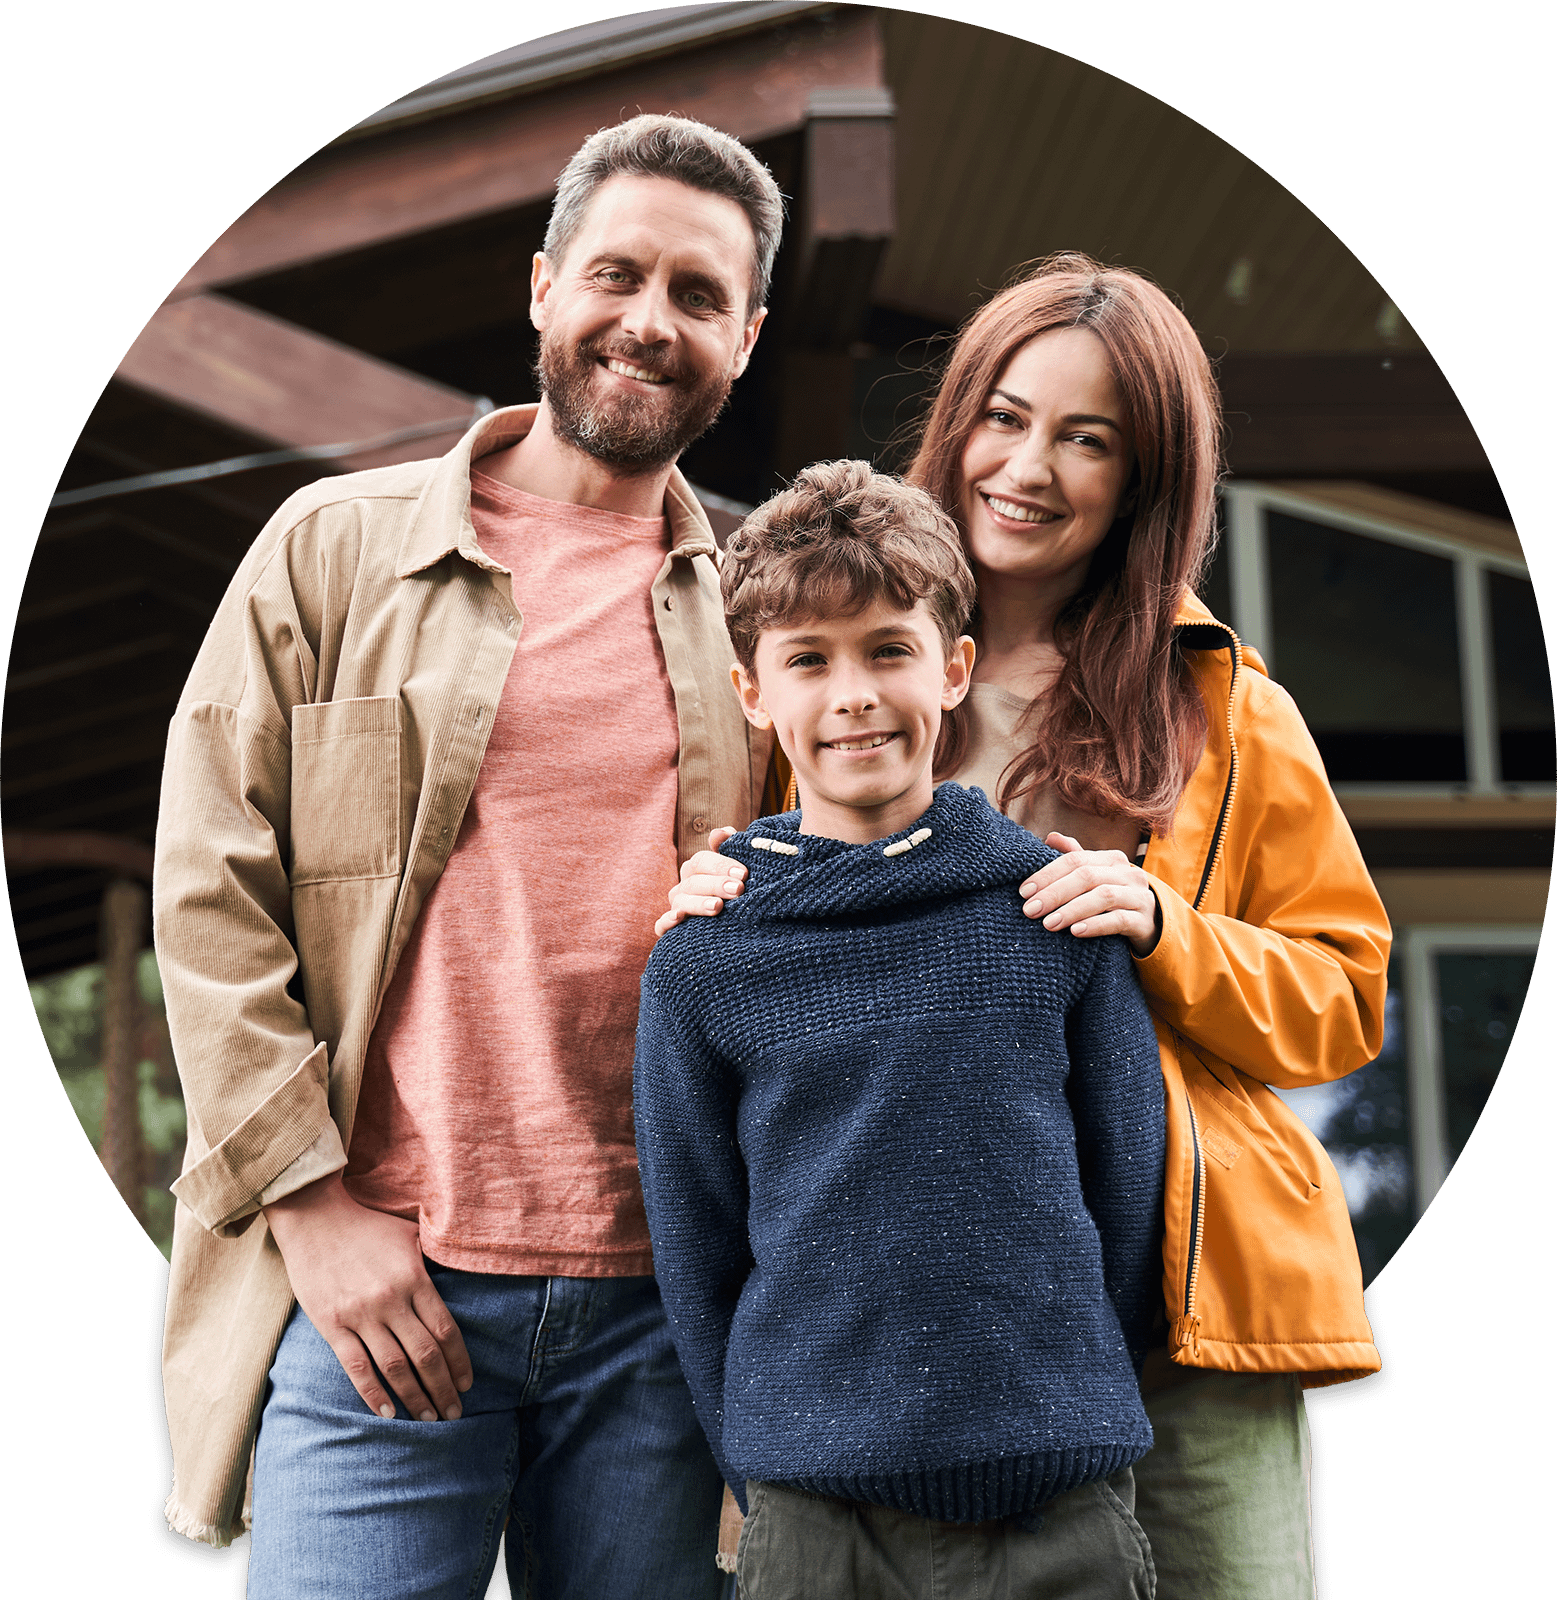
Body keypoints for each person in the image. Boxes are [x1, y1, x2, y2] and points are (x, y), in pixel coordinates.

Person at [660, 255, 1391, 1599]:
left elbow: (1346, 996)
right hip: (899, 1346)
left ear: (1142, 479)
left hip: (1187, 1306)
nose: (1028, 465)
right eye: (1004, 416)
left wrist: (1164, 926)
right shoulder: (843, 664)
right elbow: (762, 936)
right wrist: (710, 882)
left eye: (1086, 438)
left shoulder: (1224, 708)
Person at [153, 113, 783, 1598]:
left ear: (746, 340)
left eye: (698, 297)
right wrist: (308, 1203)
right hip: (380, 1282)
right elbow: (207, 888)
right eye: (617, 276)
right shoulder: (334, 547)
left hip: (668, 1315)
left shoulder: (763, 612)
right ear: (543, 286)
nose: (649, 323)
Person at [635, 460, 1165, 1598]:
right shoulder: (708, 955)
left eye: (888, 649)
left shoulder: (1052, 910)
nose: (855, 693)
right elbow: (697, 1240)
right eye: (808, 660)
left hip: (1059, 1499)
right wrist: (768, 1451)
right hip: (819, 1518)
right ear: (752, 693)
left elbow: (1128, 1185)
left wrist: (1058, 1385)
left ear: (953, 668)